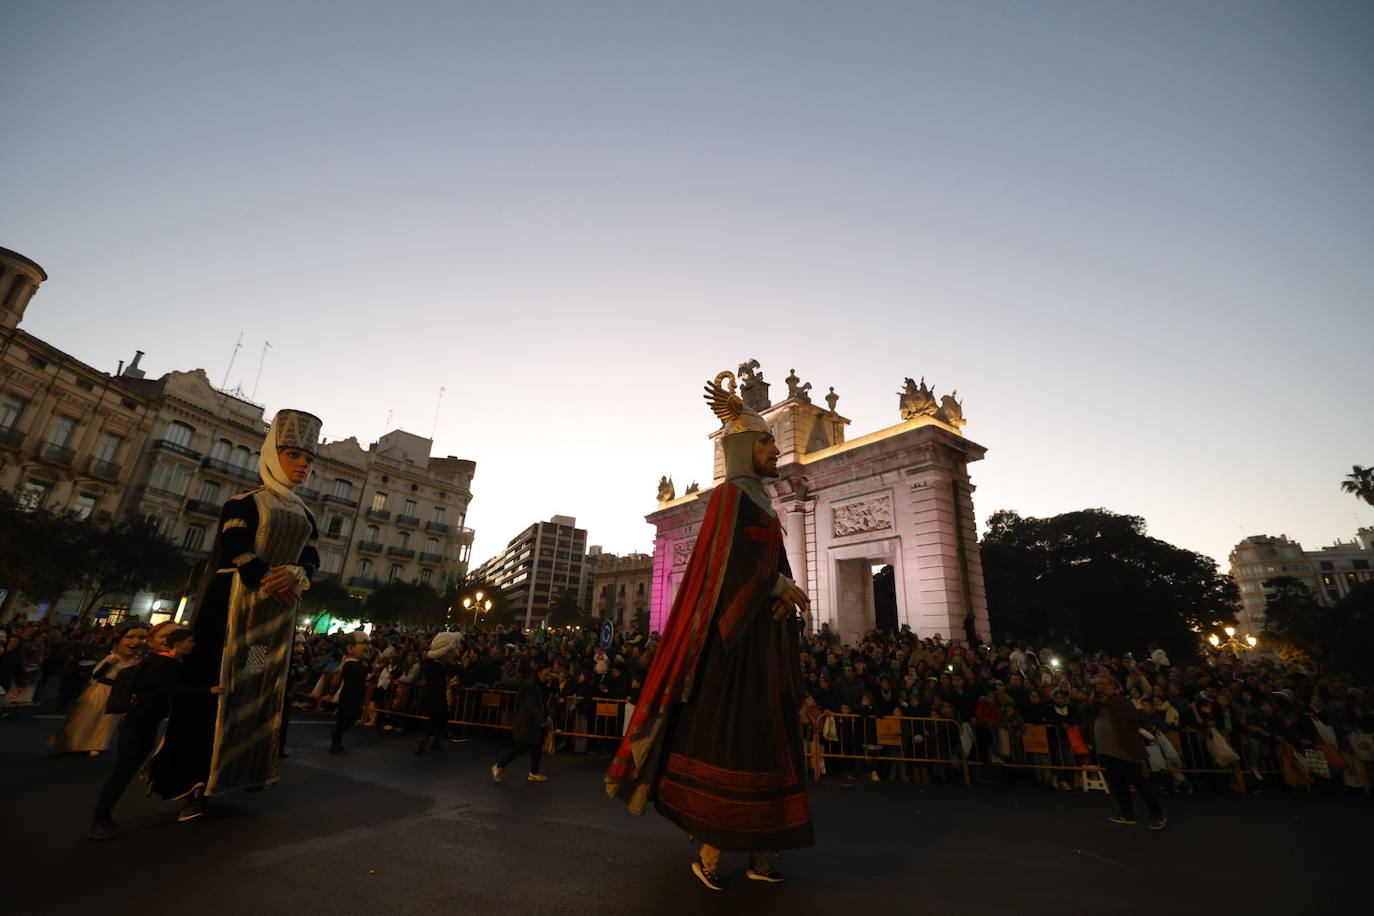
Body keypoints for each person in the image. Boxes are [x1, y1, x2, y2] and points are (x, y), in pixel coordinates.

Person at [606, 370, 813, 891]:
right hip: (733, 644)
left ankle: (764, 852)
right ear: (743, 449)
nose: (774, 448)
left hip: (764, 640)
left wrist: (784, 593)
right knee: (738, 742)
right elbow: (724, 562)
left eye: (772, 439)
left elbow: (775, 564)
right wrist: (771, 586)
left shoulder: (766, 504)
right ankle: (712, 852)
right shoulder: (727, 500)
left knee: (771, 743)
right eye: (765, 441)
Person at [148, 409, 322, 821]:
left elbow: (312, 557)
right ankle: (194, 781)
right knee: (219, 682)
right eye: (294, 454)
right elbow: (237, 548)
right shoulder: (243, 502)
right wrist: (270, 578)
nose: (304, 465)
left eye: (309, 459)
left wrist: (297, 574)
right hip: (231, 608)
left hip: (273, 621)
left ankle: (243, 769)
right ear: (271, 455)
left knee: (256, 682)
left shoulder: (306, 514)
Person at [89, 626, 221, 839]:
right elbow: (172, 690)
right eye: (164, 636)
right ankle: (99, 820)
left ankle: (103, 818)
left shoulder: (163, 662)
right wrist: (209, 691)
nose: (169, 639)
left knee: (124, 772)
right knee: (121, 773)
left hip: (144, 723)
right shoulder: (160, 664)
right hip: (138, 724)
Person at [50, 622, 147, 755]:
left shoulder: (136, 661)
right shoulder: (112, 658)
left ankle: (98, 744)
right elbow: (97, 674)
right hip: (102, 690)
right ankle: (79, 742)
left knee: (108, 721)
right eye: (130, 637)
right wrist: (108, 664)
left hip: (119, 693)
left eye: (141, 638)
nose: (135, 642)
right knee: (90, 717)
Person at [1084, 673, 1165, 830]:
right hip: (1106, 750)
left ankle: (1157, 815)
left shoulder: (1122, 700)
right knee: (1118, 784)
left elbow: (1130, 716)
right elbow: (1085, 716)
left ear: (1113, 685)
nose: (1100, 687)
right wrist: (1091, 702)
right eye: (1097, 684)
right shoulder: (1096, 704)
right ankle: (1127, 814)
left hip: (1125, 749)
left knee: (1139, 782)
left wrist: (1108, 703)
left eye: (1103, 684)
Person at [492, 662, 552, 782]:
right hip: (528, 722)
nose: (547, 677)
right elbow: (532, 706)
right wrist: (543, 722)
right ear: (539, 673)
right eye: (546, 674)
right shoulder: (531, 685)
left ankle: (533, 772)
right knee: (522, 747)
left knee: (535, 746)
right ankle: (499, 765)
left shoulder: (535, 683)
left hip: (531, 721)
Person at [416, 632, 459, 755]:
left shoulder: (434, 664)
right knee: (433, 721)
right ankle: (423, 744)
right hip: (434, 697)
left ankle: (434, 741)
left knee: (441, 720)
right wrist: (455, 664)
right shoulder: (435, 665)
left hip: (437, 696)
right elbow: (450, 671)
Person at [330, 632, 370, 753]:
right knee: (344, 719)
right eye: (364, 643)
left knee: (354, 716)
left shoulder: (358, 663)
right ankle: (336, 741)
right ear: (350, 648)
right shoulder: (349, 664)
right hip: (348, 697)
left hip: (357, 696)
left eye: (368, 643)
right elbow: (357, 674)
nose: (368, 646)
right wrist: (365, 668)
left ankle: (337, 737)